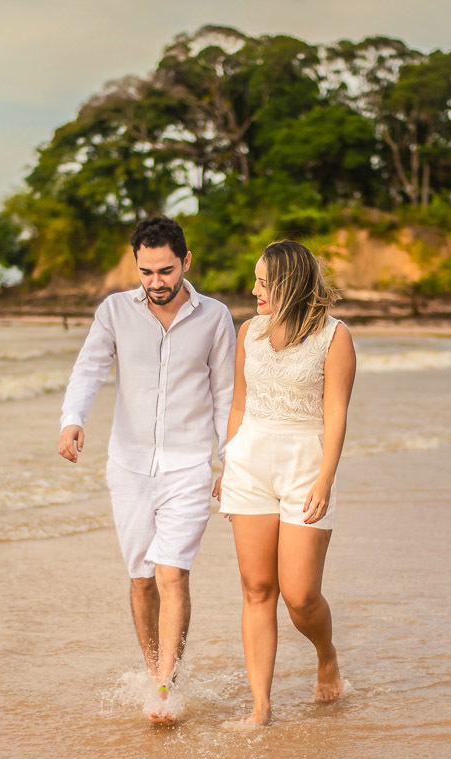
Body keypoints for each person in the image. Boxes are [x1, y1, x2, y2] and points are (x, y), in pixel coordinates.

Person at [57, 216, 236, 724]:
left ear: (186, 262)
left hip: (189, 466)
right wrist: (73, 421)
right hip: (129, 467)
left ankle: (164, 684)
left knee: (172, 573)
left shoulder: (215, 317)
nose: (156, 281)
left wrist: (231, 462)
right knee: (141, 580)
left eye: (165, 270)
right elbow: (89, 368)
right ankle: (154, 665)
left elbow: (225, 393)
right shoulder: (114, 311)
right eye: (146, 271)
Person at [217, 240, 356, 726]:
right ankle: (261, 708)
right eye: (254, 280)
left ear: (290, 283)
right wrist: (226, 461)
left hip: (305, 467)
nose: (253, 290)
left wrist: (325, 479)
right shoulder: (248, 333)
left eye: (263, 282)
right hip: (249, 464)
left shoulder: (334, 337)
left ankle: (326, 655)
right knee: (257, 588)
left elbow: (336, 414)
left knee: (300, 596)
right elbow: (239, 403)